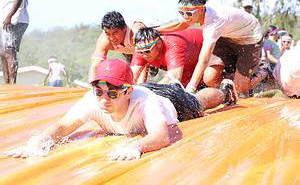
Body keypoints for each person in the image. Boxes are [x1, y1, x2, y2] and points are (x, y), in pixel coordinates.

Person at [6, 59, 238, 160]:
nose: (104, 99)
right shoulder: (94, 99)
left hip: (170, 101)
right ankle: (171, 82)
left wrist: (138, 145)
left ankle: (226, 91)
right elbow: (63, 126)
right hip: (141, 88)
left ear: (127, 91)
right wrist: (37, 143)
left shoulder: (145, 102)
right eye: (100, 91)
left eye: (112, 93)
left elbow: (161, 136)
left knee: (196, 102)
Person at [156, 0, 263, 96]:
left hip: (250, 38)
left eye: (189, 13)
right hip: (227, 35)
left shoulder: (214, 23)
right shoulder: (196, 11)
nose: (185, 17)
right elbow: (182, 24)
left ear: (202, 9)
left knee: (240, 88)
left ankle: (264, 72)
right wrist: (155, 30)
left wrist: (191, 89)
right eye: (181, 12)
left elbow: (203, 60)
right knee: (209, 79)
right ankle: (236, 78)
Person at [131, 27, 203, 87]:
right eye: (140, 52)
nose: (144, 55)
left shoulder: (172, 44)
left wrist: (151, 91)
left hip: (208, 56)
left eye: (147, 51)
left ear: (159, 44)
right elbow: (131, 76)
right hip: (187, 65)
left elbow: (174, 77)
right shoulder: (142, 49)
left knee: (209, 78)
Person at [88, 11, 145, 82]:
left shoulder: (135, 34)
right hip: (132, 52)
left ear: (124, 28)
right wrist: (93, 85)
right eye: (108, 33)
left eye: (115, 33)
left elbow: (143, 62)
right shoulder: (104, 40)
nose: (112, 38)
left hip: (152, 48)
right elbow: (95, 65)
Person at [0, 0, 29, 84]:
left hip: (15, 20)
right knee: (2, 52)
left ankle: (12, 84)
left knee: (9, 51)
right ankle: (7, 83)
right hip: (5, 22)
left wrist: (9, 16)